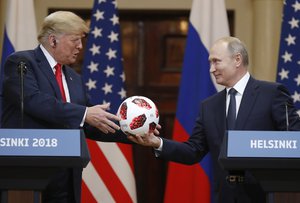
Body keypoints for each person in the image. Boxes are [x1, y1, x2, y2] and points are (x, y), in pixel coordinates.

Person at [128, 36, 300, 203]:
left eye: (216, 61)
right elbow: (193, 151)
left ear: (237, 59)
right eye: (210, 62)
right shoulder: (209, 106)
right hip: (224, 197)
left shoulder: (272, 94)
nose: (211, 68)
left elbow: (293, 141)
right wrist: (156, 142)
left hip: (267, 196)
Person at [1, 11, 131, 203]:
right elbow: (35, 101)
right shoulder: (21, 63)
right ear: (53, 40)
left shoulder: (74, 78)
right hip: (28, 173)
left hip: (67, 176)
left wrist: (132, 132)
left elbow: (90, 123)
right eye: (75, 40)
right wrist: (85, 113)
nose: (80, 46)